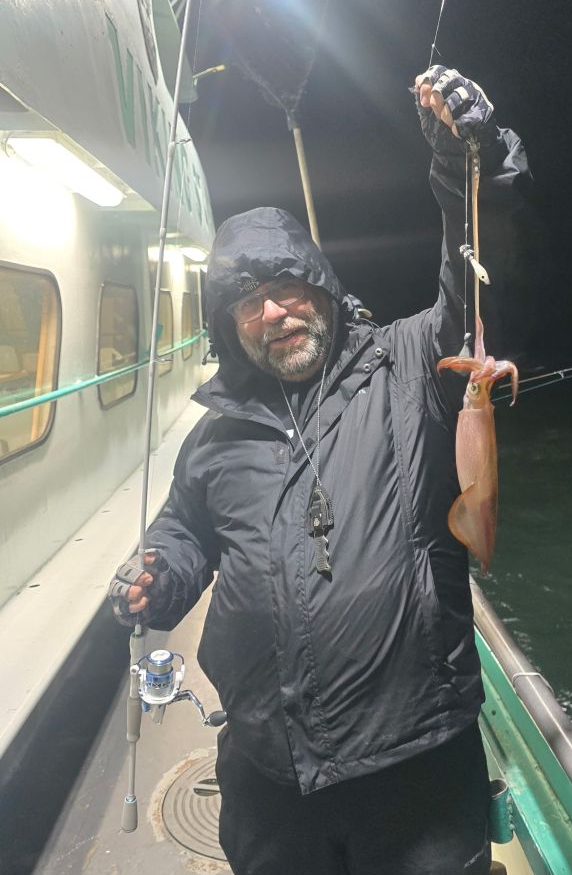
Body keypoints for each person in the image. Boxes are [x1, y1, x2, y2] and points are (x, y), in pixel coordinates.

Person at [109, 66, 530, 875]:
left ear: (322, 287)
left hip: (414, 770)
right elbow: (186, 530)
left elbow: (482, 279)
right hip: (270, 769)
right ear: (231, 329)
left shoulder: (411, 364)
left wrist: (465, 162)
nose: (273, 312)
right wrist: (156, 573)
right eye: (246, 303)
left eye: (286, 286)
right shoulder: (214, 440)